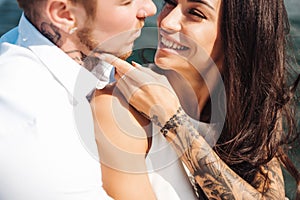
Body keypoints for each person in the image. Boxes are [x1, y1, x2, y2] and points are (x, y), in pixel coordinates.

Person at [102, 0, 300, 199]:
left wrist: (173, 121)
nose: (167, 22)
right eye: (171, 3)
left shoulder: (251, 116)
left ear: (238, 37)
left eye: (195, 13)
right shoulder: (121, 108)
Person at [0, 0, 159, 199]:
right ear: (63, 14)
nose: (151, 9)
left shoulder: (84, 54)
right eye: (127, 2)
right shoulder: (36, 136)